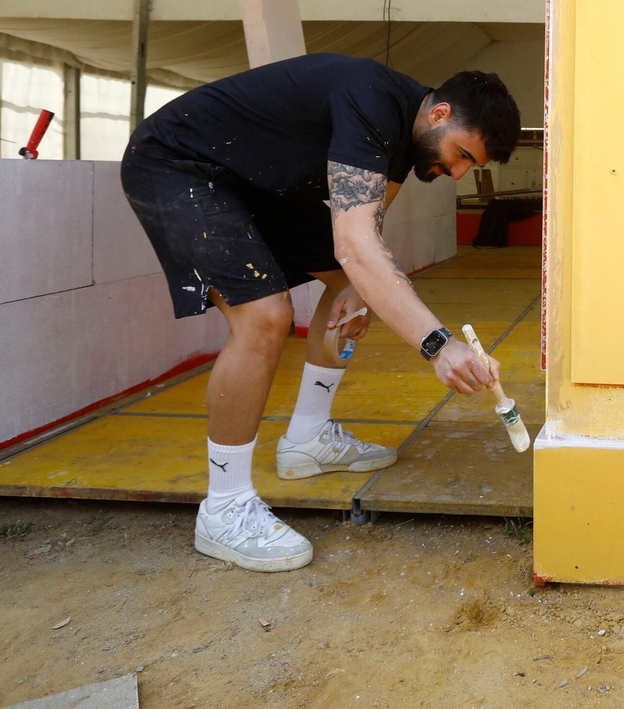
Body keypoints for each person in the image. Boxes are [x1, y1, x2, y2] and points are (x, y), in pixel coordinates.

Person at [121, 54, 522, 571]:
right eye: (462, 155)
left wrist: (362, 284)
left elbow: (365, 245)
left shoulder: (408, 135)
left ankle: (307, 439)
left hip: (252, 185)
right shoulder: (372, 101)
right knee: (265, 316)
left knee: (362, 289)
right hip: (181, 164)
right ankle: (223, 507)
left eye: (472, 167)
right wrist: (439, 345)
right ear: (440, 114)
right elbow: (355, 245)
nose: (458, 173)